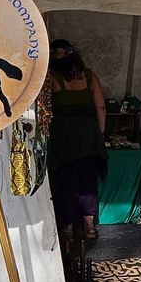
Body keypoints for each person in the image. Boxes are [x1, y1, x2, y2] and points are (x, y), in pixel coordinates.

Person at [45, 40, 107, 246]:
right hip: (89, 135)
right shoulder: (89, 75)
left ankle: (68, 228)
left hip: (64, 136)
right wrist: (100, 133)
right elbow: (100, 107)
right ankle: (89, 226)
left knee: (66, 183)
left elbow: (44, 109)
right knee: (87, 182)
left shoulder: (51, 77)